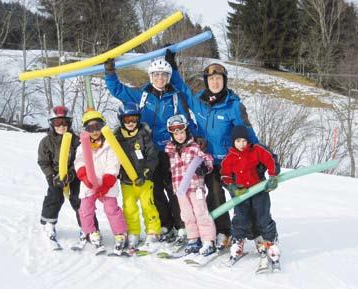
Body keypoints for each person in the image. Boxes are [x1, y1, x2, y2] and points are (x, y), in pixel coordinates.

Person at [166, 50, 259, 249]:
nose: (215, 82)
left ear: (224, 81)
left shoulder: (234, 106)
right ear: (206, 81)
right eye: (211, 79)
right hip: (208, 162)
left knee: (241, 196)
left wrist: (259, 156)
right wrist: (173, 68)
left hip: (231, 162)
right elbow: (181, 88)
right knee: (215, 195)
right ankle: (223, 232)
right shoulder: (199, 101)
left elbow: (248, 132)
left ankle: (254, 232)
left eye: (218, 79)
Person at [104, 57, 201, 243]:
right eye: (156, 75)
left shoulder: (174, 96)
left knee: (174, 188)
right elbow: (117, 89)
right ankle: (165, 224)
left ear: (168, 77)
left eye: (164, 75)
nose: (160, 79)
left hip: (170, 150)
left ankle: (181, 224)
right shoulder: (142, 95)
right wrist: (110, 73)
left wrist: (196, 136)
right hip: (148, 150)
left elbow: (185, 119)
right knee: (154, 189)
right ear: (150, 76)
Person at [37, 105, 98, 247]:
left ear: (69, 123)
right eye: (57, 123)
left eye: (64, 122)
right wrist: (51, 176)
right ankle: (48, 223)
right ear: (51, 124)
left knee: (79, 198)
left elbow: (80, 158)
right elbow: (43, 162)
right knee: (55, 196)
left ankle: (88, 227)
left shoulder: (76, 140)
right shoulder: (46, 142)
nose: (61, 126)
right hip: (55, 176)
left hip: (74, 174)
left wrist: (71, 173)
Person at [220, 126, 280, 266]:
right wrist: (231, 186)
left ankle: (270, 242)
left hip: (259, 191)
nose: (242, 144)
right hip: (242, 193)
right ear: (233, 142)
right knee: (240, 218)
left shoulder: (256, 151)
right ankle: (238, 242)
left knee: (263, 216)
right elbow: (225, 174)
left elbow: (270, 160)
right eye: (238, 141)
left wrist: (272, 176)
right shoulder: (230, 158)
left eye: (244, 141)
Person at [74, 110, 127, 254]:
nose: (95, 131)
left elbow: (113, 164)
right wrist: (84, 176)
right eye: (90, 128)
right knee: (85, 209)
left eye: (98, 126)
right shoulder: (82, 146)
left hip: (106, 184)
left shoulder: (110, 144)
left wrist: (107, 182)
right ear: (86, 130)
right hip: (89, 184)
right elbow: (79, 161)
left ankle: (120, 233)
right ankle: (91, 232)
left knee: (111, 208)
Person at [165, 114, 217, 256]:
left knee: (201, 213)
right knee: (186, 214)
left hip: (195, 186)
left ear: (186, 131)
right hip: (180, 189)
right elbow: (169, 167)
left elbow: (208, 159)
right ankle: (193, 238)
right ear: (172, 135)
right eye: (176, 133)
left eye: (182, 132)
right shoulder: (170, 150)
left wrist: (205, 167)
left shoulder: (194, 147)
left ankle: (208, 240)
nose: (180, 136)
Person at [114, 102, 161, 251]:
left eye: (133, 119)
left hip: (144, 180)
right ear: (121, 120)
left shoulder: (144, 135)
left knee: (148, 205)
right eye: (127, 120)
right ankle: (133, 232)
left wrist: (146, 173)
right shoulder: (117, 137)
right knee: (129, 208)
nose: (130, 123)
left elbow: (153, 156)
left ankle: (153, 231)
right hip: (127, 181)